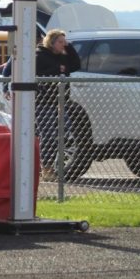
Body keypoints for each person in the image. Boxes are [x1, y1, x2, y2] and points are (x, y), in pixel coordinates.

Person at [35, 28, 81, 173]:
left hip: (61, 102)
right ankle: (46, 168)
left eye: (64, 41)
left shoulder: (63, 56)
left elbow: (75, 65)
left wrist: (70, 47)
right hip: (44, 103)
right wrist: (57, 69)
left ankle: (51, 165)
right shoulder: (40, 55)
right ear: (51, 42)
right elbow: (40, 72)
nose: (63, 44)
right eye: (60, 42)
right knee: (48, 135)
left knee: (64, 133)